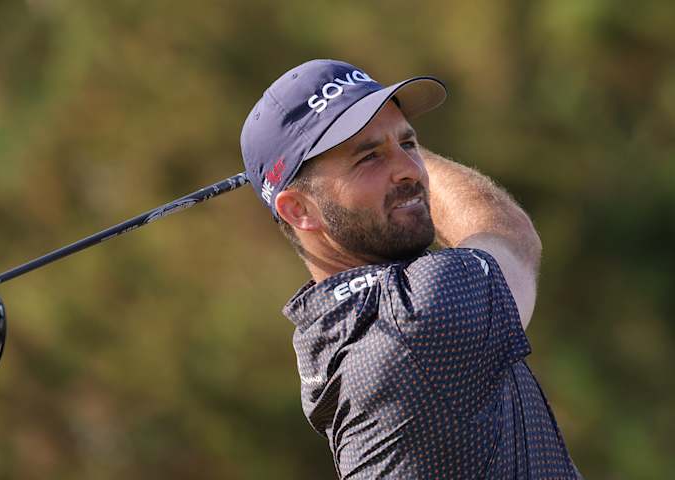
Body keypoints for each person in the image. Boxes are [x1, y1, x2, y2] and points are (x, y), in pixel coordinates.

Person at [240, 59, 581, 479]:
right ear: (298, 210)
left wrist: (380, 145)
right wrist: (398, 146)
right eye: (367, 158)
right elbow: (507, 233)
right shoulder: (420, 316)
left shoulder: (328, 330)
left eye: (409, 144)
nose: (409, 170)